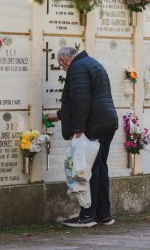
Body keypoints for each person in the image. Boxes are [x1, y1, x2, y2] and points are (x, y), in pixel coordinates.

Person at [46, 47, 118, 228]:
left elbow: (80, 101)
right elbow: (88, 97)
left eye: (60, 65)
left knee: (88, 169)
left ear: (64, 61)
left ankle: (87, 216)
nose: (62, 69)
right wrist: (60, 115)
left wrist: (79, 130)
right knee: (100, 167)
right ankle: (104, 215)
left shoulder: (77, 68)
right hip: (106, 122)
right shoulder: (92, 63)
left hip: (94, 125)